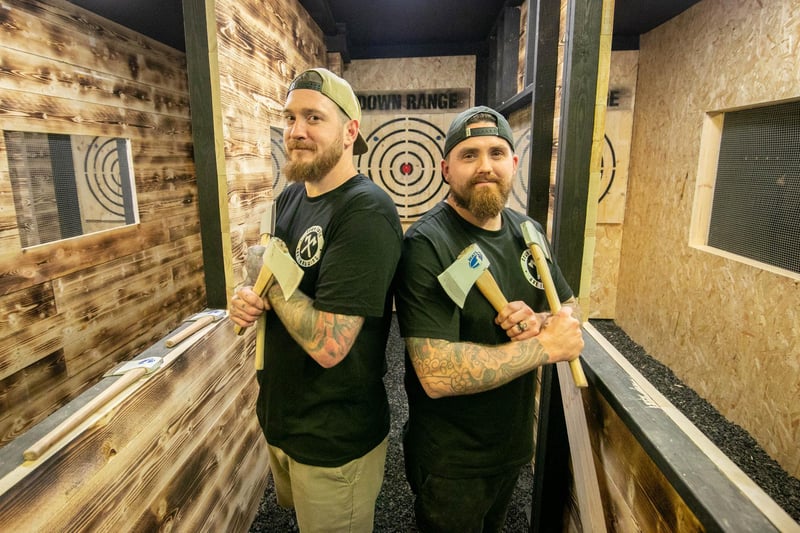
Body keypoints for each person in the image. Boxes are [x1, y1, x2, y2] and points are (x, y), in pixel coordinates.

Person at [393, 105, 585, 532]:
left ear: (513, 163)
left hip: (512, 445)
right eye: (469, 155)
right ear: (446, 168)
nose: (485, 167)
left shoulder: (528, 232)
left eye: (497, 153)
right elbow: (436, 374)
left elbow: (570, 308)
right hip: (452, 460)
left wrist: (540, 321)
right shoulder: (427, 245)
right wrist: (543, 348)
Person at [229, 67, 403, 532]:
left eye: (313, 117)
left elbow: (330, 344)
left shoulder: (365, 211)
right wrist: (247, 296)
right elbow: (274, 283)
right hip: (284, 420)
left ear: (350, 131)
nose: (296, 131)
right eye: (289, 118)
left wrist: (275, 280)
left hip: (334, 440)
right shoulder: (290, 197)